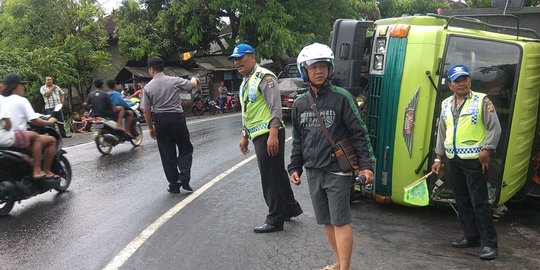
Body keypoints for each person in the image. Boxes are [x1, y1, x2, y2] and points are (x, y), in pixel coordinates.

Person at [287, 43, 374, 270]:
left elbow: (359, 133)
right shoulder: (299, 104)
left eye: (323, 66)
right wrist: (294, 167)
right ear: (304, 70)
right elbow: (299, 139)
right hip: (314, 170)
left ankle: (344, 268)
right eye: (313, 67)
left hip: (338, 170)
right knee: (326, 221)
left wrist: (366, 166)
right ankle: (339, 262)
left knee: (340, 221)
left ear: (330, 69)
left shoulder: (342, 97)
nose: (319, 71)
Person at [229, 43, 303, 233]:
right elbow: (247, 111)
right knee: (276, 174)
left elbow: (275, 106)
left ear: (252, 57)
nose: (237, 62)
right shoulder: (246, 81)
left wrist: (273, 133)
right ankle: (289, 208)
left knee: (270, 177)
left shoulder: (265, 77)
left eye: (241, 58)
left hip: (268, 134)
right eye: (235, 60)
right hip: (257, 134)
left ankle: (275, 219)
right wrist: (244, 134)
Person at [431, 64, 501, 260]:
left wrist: (486, 150)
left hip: (474, 160)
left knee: (479, 202)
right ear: (451, 85)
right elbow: (442, 132)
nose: (462, 84)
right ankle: (471, 236)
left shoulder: (481, 100)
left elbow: (494, 128)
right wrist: (438, 157)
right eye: (457, 81)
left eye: (465, 79)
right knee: (461, 200)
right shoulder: (446, 104)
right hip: (453, 160)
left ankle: (489, 244)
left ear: (469, 81)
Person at [142, 56, 198, 194]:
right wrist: (194, 78)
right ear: (163, 68)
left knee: (167, 153)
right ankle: (183, 176)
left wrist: (150, 128)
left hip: (160, 120)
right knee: (185, 148)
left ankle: (174, 184)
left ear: (151, 69)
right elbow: (193, 85)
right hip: (177, 119)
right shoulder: (174, 80)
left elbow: (146, 110)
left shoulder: (147, 88)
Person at [2, 73, 59, 180]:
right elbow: (35, 121)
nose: (23, 88)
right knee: (50, 140)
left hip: (6, 139)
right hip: (17, 137)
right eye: (21, 85)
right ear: (15, 87)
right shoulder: (21, 100)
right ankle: (44, 170)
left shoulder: (2, 100)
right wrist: (49, 122)